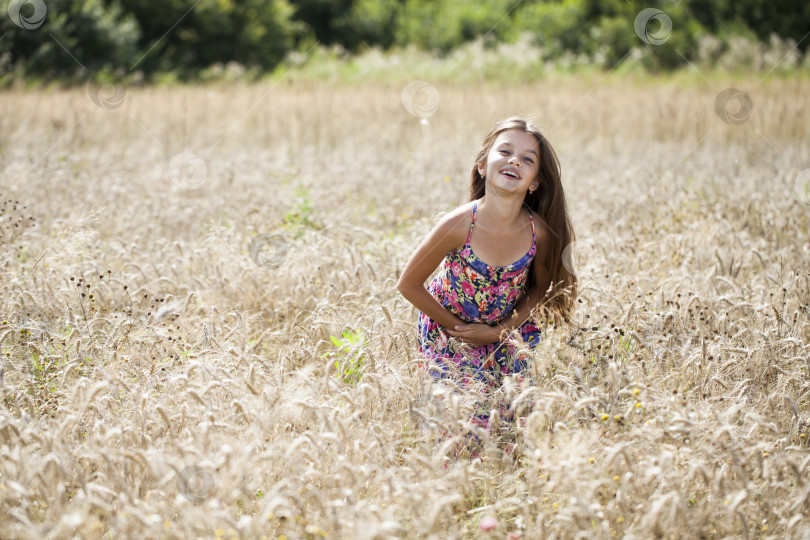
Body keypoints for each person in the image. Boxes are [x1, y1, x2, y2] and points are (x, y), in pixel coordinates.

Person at [397, 117, 577, 431]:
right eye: (504, 151)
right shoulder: (458, 224)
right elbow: (408, 284)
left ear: (534, 182)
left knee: (511, 427)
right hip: (449, 334)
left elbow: (542, 288)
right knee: (461, 424)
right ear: (483, 165)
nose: (514, 161)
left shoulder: (539, 234)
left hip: (506, 334)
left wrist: (499, 331)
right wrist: (461, 329)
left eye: (527, 159)